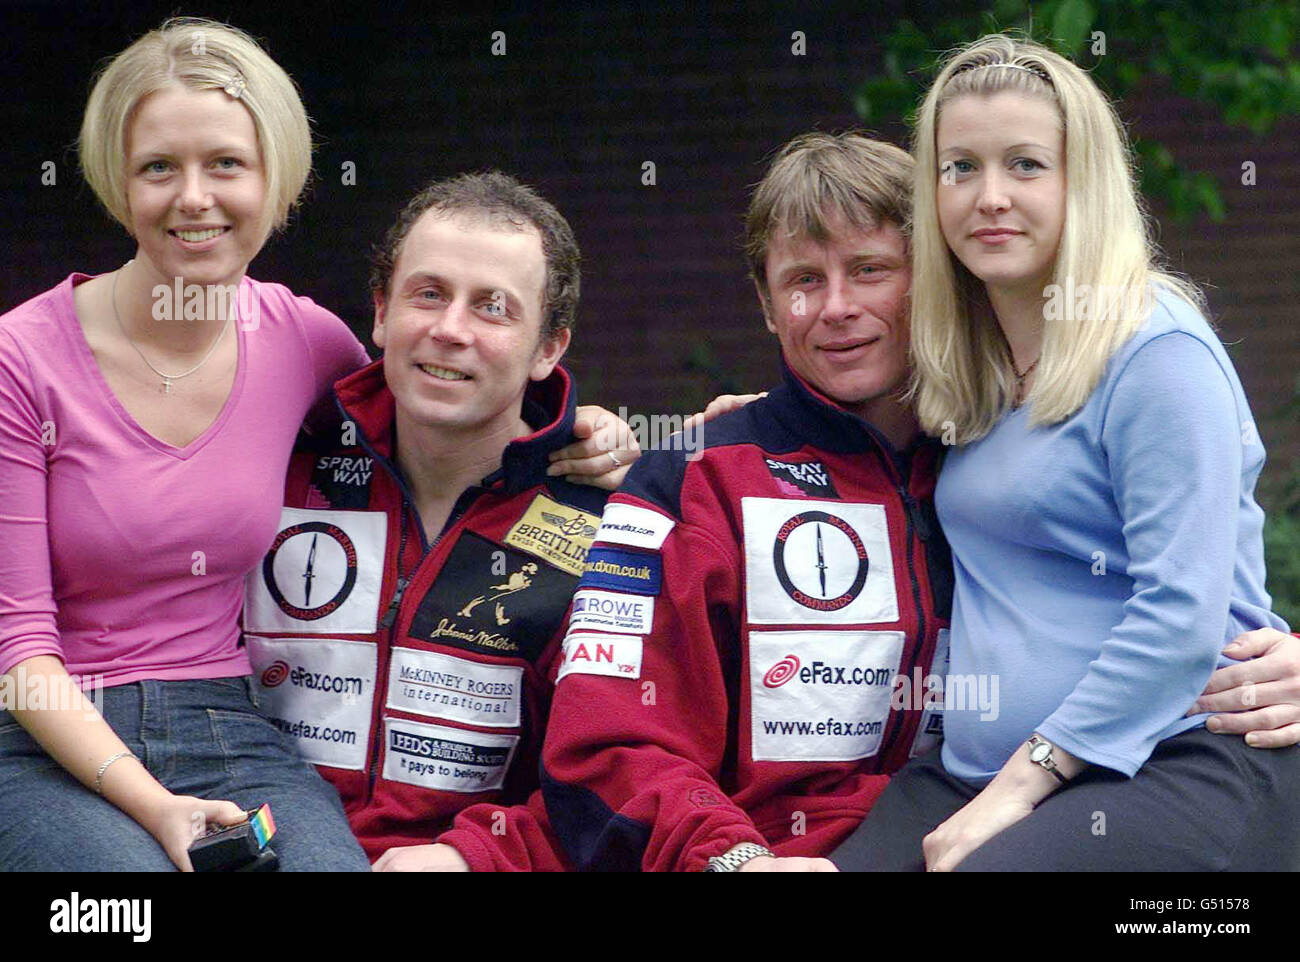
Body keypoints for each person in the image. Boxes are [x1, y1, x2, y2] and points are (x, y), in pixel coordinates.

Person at [542, 126, 1300, 873]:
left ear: (934, 278)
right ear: (768, 305)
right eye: (803, 280)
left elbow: (1185, 572)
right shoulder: (695, 478)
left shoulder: (994, 465)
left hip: (1028, 817)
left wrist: (1286, 656)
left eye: (870, 270)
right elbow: (604, 744)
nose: (836, 306)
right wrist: (731, 861)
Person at [0, 17, 627, 872]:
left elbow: (442, 400)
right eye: (159, 167)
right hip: (44, 737)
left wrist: (584, 430)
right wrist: (156, 809)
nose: (195, 198)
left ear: (274, 178)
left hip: (224, 723)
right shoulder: (22, 358)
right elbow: (19, 651)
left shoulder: (304, 342)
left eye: (226, 163)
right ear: (119, 180)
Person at [833, 34, 1299, 871]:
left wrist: (1018, 788)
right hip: (975, 770)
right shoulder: (966, 364)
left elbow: (1181, 612)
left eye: (1025, 164)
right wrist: (713, 430)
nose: (990, 197)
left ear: (1083, 181)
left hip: (1172, 757)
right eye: (960, 167)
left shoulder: (1156, 354)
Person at [245, 171, 632, 871]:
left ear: (548, 349)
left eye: (492, 308)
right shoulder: (271, 464)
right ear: (382, 314)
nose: (450, 330)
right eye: (428, 294)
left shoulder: (609, 524)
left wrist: (477, 856)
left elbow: (616, 772)